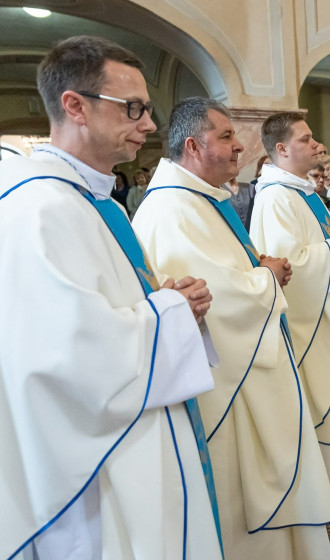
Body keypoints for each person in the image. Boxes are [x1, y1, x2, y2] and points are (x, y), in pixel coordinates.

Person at [0, 35, 221, 560]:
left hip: (142, 428)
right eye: (135, 109)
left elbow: (105, 312)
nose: (149, 125)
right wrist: (168, 312)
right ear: (74, 106)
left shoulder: (101, 203)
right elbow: (63, 360)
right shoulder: (36, 209)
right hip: (96, 470)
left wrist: (163, 301)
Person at [133, 98, 330, 559]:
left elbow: (225, 269)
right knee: (239, 493)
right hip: (226, 385)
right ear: (192, 145)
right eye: (225, 136)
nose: (239, 146)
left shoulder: (201, 200)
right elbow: (209, 298)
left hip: (249, 363)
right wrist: (267, 276)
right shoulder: (172, 210)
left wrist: (258, 267)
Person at [250, 111, 330, 512]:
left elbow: (316, 249)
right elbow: (288, 267)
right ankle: (323, 485)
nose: (317, 145)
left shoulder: (302, 191)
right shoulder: (275, 197)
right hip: (311, 319)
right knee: (321, 396)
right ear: (282, 149)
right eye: (306, 139)